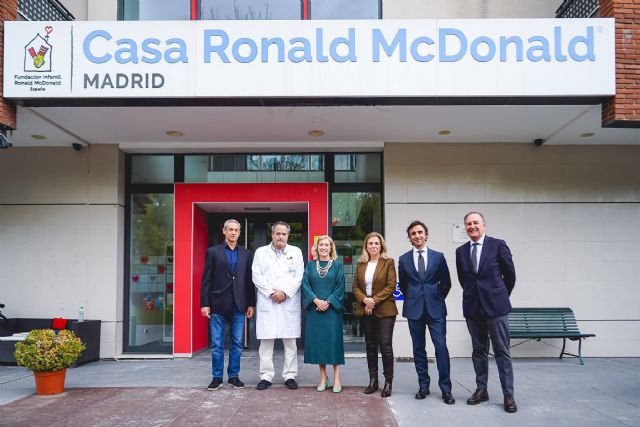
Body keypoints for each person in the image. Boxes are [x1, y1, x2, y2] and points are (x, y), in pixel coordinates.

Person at [455, 212, 517, 413]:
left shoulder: (498, 245)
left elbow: (510, 275)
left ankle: (508, 394)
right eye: (468, 224)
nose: (472, 226)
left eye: (475, 223)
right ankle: (482, 389)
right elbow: (463, 280)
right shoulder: (461, 251)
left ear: (483, 225)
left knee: (502, 350)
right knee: (478, 350)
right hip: (473, 307)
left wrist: (498, 295)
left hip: (496, 307)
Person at [398, 220, 455, 404]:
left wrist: (435, 297)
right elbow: (404, 286)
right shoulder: (404, 259)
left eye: (420, 232)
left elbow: (446, 282)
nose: (417, 235)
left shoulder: (438, 257)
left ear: (426, 235)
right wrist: (415, 298)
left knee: (441, 347)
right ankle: (423, 386)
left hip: (436, 309)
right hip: (414, 310)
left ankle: (446, 389)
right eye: (413, 233)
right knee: (418, 349)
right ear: (410, 238)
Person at [200, 219, 255, 391]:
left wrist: (251, 304)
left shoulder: (246, 254)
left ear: (239, 232)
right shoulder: (213, 252)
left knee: (237, 342)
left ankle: (233, 376)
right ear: (223, 231)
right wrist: (204, 304)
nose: (233, 232)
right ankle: (217, 377)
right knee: (217, 344)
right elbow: (206, 280)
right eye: (230, 229)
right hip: (218, 304)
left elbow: (249, 281)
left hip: (239, 304)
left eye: (236, 230)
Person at [252, 221, 304, 391]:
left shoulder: (295, 252)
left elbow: (299, 276)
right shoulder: (261, 252)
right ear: (272, 234)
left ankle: (290, 375)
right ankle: (266, 376)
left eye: (284, 234)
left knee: (290, 343)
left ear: (288, 236)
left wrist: (285, 293)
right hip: (268, 301)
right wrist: (271, 293)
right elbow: (256, 275)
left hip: (288, 302)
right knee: (266, 343)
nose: (280, 236)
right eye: (278, 233)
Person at [352, 232, 398, 398]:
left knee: (385, 346)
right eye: (370, 243)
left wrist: (373, 300)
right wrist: (365, 300)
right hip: (366, 310)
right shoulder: (361, 264)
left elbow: (391, 286)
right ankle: (373, 381)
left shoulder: (388, 262)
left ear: (381, 246)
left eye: (376, 243)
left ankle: (388, 382)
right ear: (366, 246)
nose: (373, 246)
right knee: (370, 346)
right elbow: (355, 286)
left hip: (385, 310)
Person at [302, 235, 345, 393]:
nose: (324, 248)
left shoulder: (337, 266)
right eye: (321, 245)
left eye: (327, 245)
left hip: (332, 311)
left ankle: (337, 379)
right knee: (319, 344)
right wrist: (316, 301)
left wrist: (329, 301)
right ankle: (323, 378)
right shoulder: (310, 265)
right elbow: (305, 285)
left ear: (331, 248)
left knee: (333, 343)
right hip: (315, 311)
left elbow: (340, 286)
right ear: (317, 248)